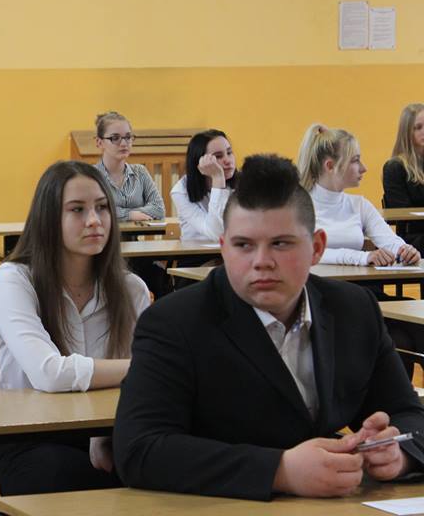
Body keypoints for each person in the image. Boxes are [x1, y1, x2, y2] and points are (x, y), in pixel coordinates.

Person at [113, 154, 424, 500]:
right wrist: (280, 470)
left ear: (317, 248)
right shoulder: (174, 322)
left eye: (280, 243)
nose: (261, 262)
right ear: (223, 248)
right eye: (243, 245)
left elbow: (409, 413)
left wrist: (398, 454)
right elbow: (138, 449)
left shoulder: (353, 309)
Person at [0, 160, 150, 496]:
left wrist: (103, 436)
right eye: (77, 210)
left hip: (110, 432)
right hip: (29, 439)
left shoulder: (130, 288)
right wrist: (141, 368)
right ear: (48, 218)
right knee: (67, 476)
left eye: (102, 207)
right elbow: (49, 373)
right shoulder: (15, 279)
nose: (94, 220)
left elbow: (147, 388)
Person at [297, 123, 419, 268]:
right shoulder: (297, 207)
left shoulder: (360, 205)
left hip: (355, 281)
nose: (363, 168)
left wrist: (405, 251)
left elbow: (390, 240)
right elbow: (307, 251)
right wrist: (362, 257)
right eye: (355, 160)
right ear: (330, 166)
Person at [93, 111, 168, 297]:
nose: (124, 143)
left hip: (135, 250)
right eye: (115, 138)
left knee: (162, 278)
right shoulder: (91, 176)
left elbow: (159, 208)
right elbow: (96, 211)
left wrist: (117, 212)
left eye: (128, 137)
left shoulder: (140, 172)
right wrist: (130, 215)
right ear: (99, 142)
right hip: (101, 252)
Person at [170, 129, 238, 242]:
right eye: (218, 156)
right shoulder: (181, 191)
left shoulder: (243, 183)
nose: (228, 160)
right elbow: (217, 233)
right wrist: (218, 179)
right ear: (200, 162)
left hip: (233, 251)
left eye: (229, 153)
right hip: (197, 252)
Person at [383, 103, 424, 251]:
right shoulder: (395, 167)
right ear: (406, 132)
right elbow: (401, 213)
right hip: (412, 239)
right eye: (418, 127)